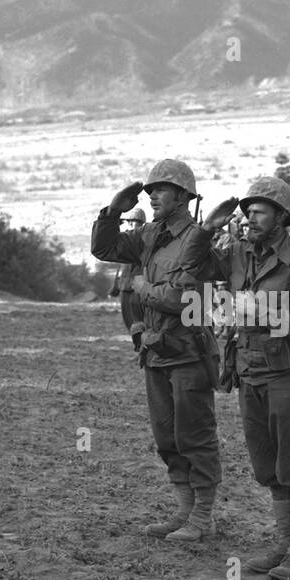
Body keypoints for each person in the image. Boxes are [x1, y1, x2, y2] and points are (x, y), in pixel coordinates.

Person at [181, 177, 290, 580]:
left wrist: (256, 309)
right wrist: (207, 228)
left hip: (288, 372)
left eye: (259, 211)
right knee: (267, 463)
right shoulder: (239, 253)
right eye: (247, 212)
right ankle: (283, 542)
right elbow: (193, 265)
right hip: (249, 370)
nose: (249, 219)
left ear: (281, 216)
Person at [91, 159, 221, 542]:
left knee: (195, 435)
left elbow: (184, 299)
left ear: (183, 196)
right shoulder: (149, 235)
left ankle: (203, 516)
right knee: (167, 437)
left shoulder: (198, 239)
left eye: (160, 189)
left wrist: (144, 289)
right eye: (149, 191)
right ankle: (184, 511)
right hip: (156, 351)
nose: (151, 197)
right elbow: (104, 248)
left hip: (189, 353)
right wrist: (112, 212)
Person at [109, 208, 148, 349]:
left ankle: (143, 348)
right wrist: (115, 285)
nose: (131, 225)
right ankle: (139, 348)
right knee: (129, 322)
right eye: (129, 222)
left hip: (138, 285)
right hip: (125, 286)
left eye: (134, 222)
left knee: (140, 321)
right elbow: (121, 266)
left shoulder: (144, 239)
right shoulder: (126, 239)